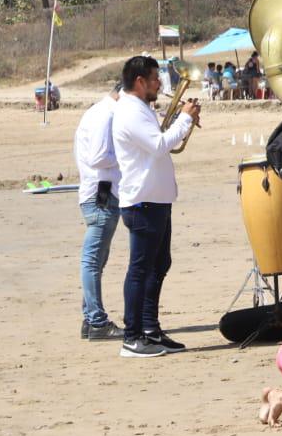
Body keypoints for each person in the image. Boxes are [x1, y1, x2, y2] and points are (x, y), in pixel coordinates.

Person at [112, 55, 199, 358]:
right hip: (143, 200)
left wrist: (183, 123)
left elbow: (165, 145)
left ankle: (150, 329)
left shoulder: (140, 108)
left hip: (156, 198)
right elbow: (161, 145)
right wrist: (184, 118)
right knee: (140, 269)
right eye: (155, 78)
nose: (160, 84)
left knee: (159, 264)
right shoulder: (129, 111)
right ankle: (132, 336)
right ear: (140, 82)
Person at [75, 83, 124, 340]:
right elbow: (97, 157)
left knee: (97, 261)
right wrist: (128, 153)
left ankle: (90, 318)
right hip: (100, 194)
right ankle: (96, 321)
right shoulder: (105, 114)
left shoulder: (100, 112)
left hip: (98, 192)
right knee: (93, 261)